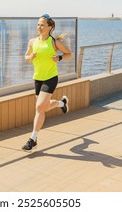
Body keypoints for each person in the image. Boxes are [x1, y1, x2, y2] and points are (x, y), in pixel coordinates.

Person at [22, 14, 72, 152]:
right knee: (43, 107)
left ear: (49, 27)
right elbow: (25, 58)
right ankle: (62, 103)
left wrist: (59, 58)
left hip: (50, 78)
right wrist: (30, 57)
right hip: (37, 78)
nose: (39, 27)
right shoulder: (32, 42)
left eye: (42, 24)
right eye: (38, 24)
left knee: (39, 108)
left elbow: (69, 54)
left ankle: (33, 139)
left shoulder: (54, 42)